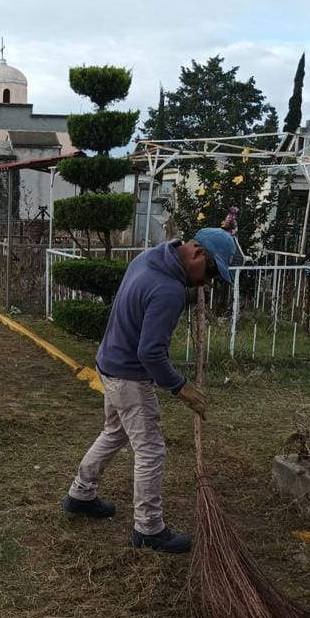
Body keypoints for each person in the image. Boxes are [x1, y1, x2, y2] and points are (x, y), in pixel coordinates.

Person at [62, 228, 236, 554]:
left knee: (114, 432)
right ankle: (149, 529)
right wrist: (180, 387)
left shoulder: (149, 257)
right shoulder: (168, 289)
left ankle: (80, 495)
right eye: (211, 272)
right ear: (197, 254)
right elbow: (150, 353)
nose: (207, 283)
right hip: (130, 375)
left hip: (109, 363)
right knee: (151, 450)